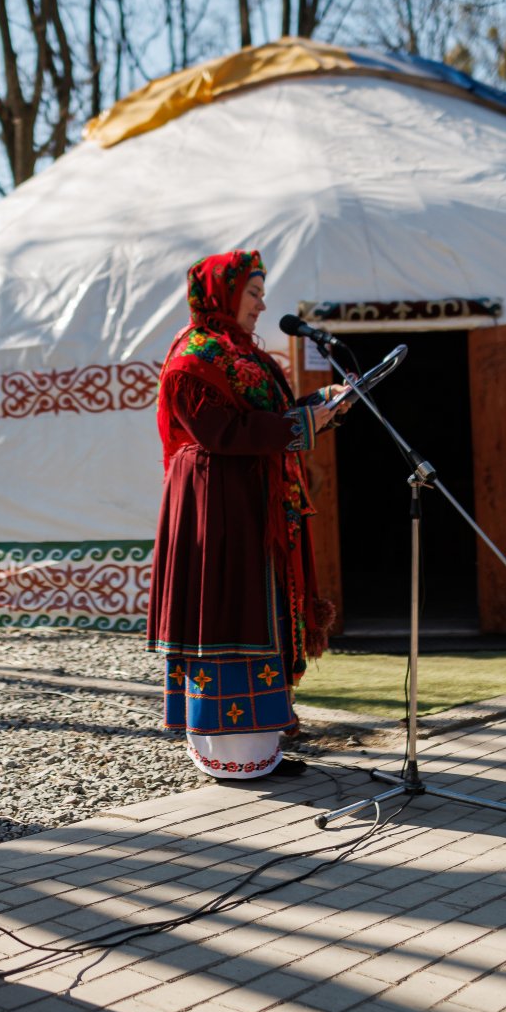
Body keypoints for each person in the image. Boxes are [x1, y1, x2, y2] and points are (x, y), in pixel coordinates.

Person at [146, 250, 341, 781]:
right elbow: (219, 433)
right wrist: (297, 425)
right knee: (229, 618)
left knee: (265, 616)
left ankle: (261, 748)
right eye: (253, 293)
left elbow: (264, 419)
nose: (261, 304)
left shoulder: (248, 356)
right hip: (217, 510)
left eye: (260, 293)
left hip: (255, 506)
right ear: (223, 294)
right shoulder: (194, 358)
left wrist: (319, 405)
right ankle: (226, 755)